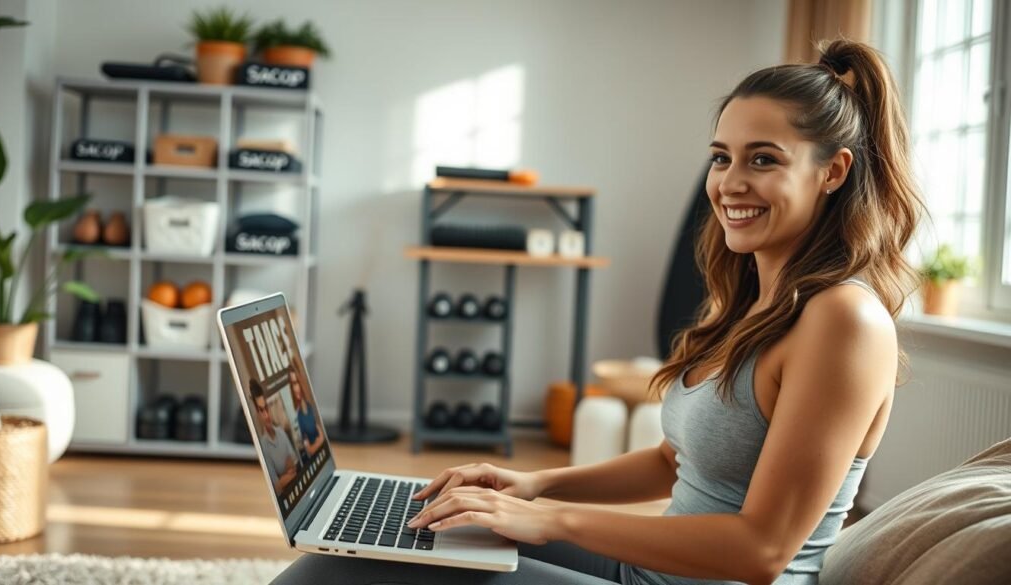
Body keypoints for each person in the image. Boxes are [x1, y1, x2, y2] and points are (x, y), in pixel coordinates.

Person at [299, 39, 923, 585]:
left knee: (341, 571)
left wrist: (547, 520)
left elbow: (762, 551)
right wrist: (535, 484)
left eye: (764, 159)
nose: (730, 182)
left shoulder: (845, 320)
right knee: (407, 539)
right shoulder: (754, 301)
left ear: (833, 172)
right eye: (721, 156)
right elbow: (672, 462)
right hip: (652, 574)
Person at [250, 378, 299, 494]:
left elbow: (294, 464)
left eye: (266, 408)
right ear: (257, 413)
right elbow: (277, 487)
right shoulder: (264, 445)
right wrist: (286, 474)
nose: (266, 415)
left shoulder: (281, 432)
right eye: (261, 410)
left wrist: (284, 477)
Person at [289, 363, 325, 459]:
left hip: (322, 455)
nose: (296, 388)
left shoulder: (309, 406)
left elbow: (320, 432)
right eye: (293, 384)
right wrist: (320, 441)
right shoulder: (298, 416)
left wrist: (321, 440)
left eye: (297, 382)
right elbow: (310, 450)